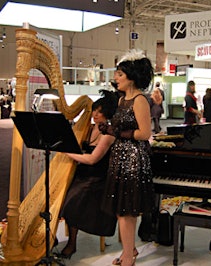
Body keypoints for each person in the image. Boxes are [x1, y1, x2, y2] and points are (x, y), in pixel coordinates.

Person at [100, 49, 154, 266]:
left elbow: (145, 133)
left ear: (131, 77)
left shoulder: (140, 100)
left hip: (133, 159)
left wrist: (119, 133)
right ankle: (129, 250)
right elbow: (120, 127)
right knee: (123, 211)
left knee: (126, 212)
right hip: (120, 157)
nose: (116, 78)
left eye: (119, 75)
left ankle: (128, 257)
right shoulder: (122, 100)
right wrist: (109, 129)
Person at [59, 90, 118, 259]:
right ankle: (66, 239)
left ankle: (72, 243)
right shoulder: (89, 127)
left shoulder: (108, 134)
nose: (95, 114)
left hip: (98, 179)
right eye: (94, 110)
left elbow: (93, 159)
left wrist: (67, 152)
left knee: (71, 201)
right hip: (83, 174)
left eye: (99, 112)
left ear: (107, 113)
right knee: (63, 195)